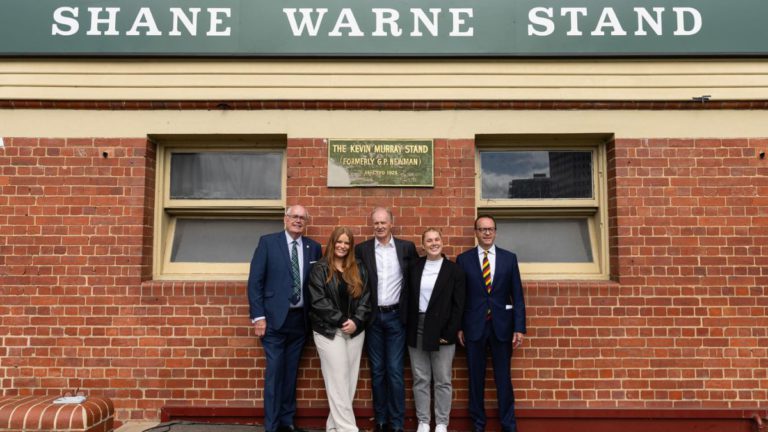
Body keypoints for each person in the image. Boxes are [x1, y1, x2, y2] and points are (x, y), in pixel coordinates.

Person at [247, 205, 322, 432]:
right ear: (285, 219)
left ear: (306, 222)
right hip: (273, 321)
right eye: (294, 217)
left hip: (300, 322)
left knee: (290, 374)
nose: (298, 221)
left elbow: (317, 284)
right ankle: (271, 426)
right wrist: (259, 317)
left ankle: (287, 422)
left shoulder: (313, 248)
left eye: (302, 218)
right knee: (275, 373)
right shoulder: (268, 243)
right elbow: (255, 282)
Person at [456, 215, 526, 432]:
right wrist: (459, 326)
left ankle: (508, 425)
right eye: (482, 229)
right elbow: (460, 297)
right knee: (475, 380)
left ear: (495, 232)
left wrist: (519, 327)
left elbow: (517, 295)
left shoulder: (509, 258)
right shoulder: (463, 260)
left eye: (490, 229)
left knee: (503, 379)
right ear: (476, 232)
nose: (486, 233)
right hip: (474, 327)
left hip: (502, 327)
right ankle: (478, 425)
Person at [355, 207, 418, 432]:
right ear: (372, 225)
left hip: (396, 317)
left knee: (395, 371)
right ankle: (381, 421)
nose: (380, 226)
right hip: (372, 318)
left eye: (383, 222)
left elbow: (415, 280)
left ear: (392, 223)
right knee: (377, 371)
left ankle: (397, 423)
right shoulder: (362, 249)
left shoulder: (406, 248)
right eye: (376, 223)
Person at [308, 227, 371, 432]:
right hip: (328, 331)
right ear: (332, 243)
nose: (342, 246)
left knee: (348, 382)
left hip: (355, 331)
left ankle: (333, 427)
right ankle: (348, 429)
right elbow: (318, 301)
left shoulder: (358, 267)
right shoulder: (320, 268)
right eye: (339, 242)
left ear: (351, 246)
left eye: (346, 243)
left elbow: (366, 298)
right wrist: (343, 320)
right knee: (338, 380)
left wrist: (357, 321)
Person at [404, 228, 466, 432]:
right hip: (417, 326)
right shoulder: (413, 267)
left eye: (436, 239)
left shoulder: (454, 270)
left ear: (442, 241)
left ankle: (441, 423)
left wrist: (450, 332)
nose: (433, 243)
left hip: (443, 328)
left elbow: (458, 306)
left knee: (443, 379)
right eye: (429, 241)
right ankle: (423, 421)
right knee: (420, 378)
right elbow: (406, 297)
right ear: (423, 245)